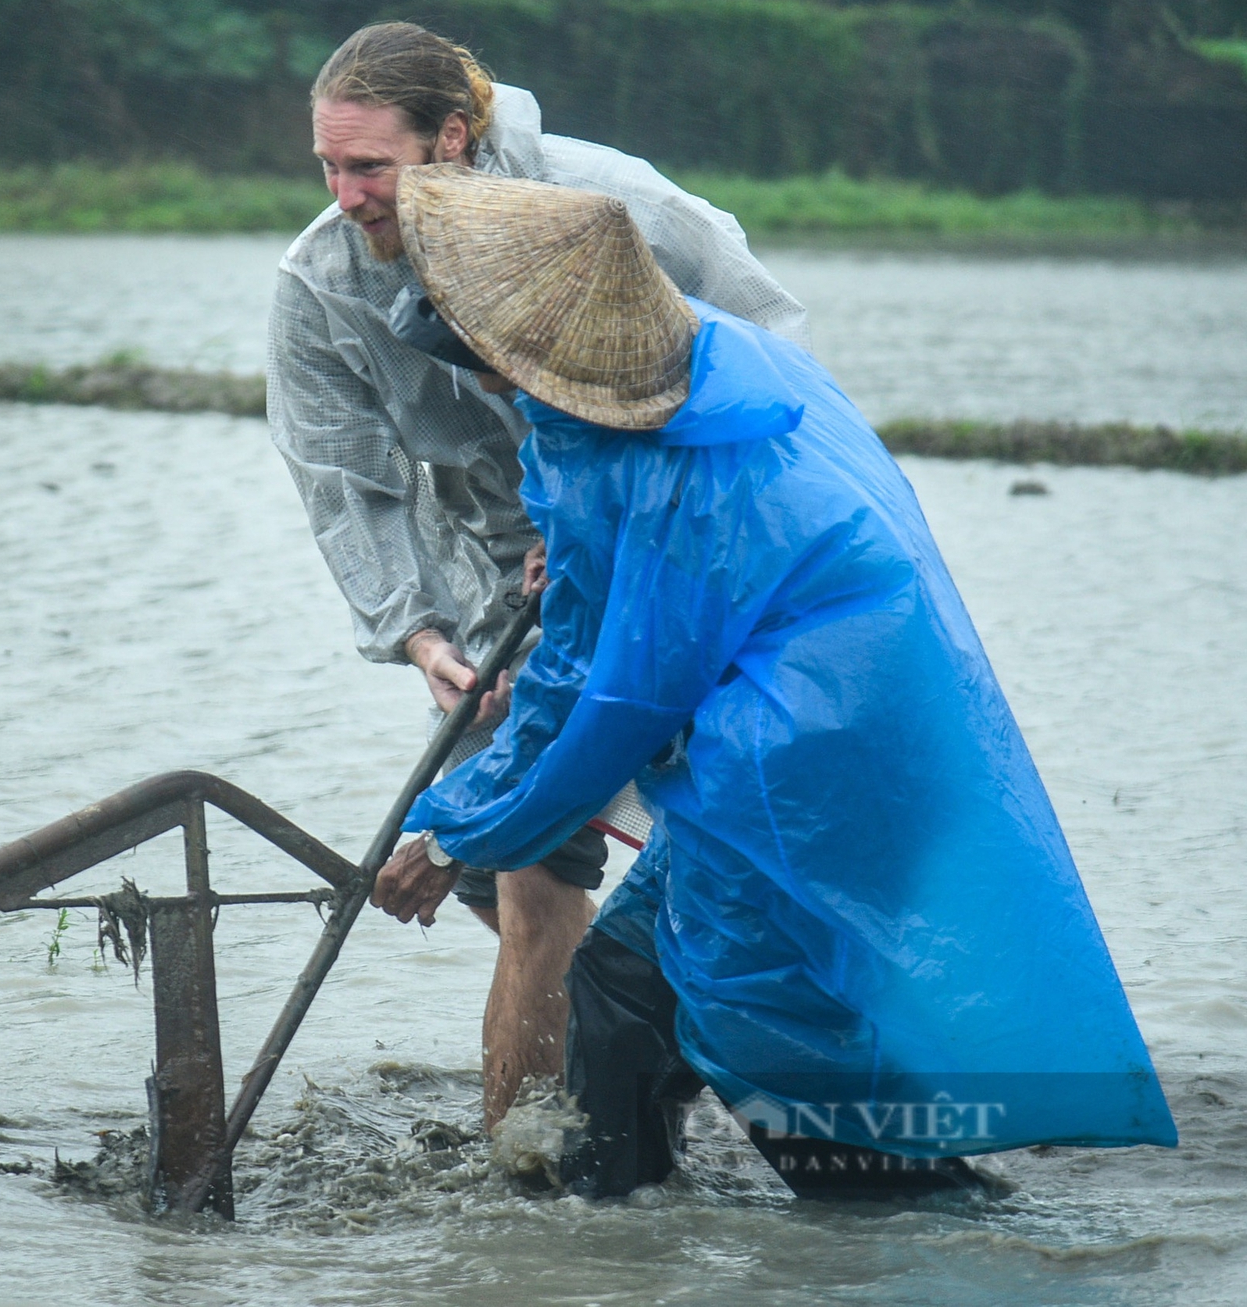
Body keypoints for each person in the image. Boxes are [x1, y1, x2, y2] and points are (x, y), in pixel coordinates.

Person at [390, 162, 1179, 1199]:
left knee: (785, 1069)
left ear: (525, 360)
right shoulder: (727, 358)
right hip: (885, 724)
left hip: (786, 770)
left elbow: (601, 702)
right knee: (629, 995)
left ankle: (955, 1242)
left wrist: (455, 830)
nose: (483, 384)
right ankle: (605, 1238)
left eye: (485, 366)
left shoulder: (642, 465)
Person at [269, 20, 808, 1132]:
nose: (345, 193)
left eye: (369, 166)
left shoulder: (612, 209)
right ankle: (579, 1129)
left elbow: (763, 359)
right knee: (496, 870)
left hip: (666, 558)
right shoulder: (322, 281)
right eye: (326, 165)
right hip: (487, 583)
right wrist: (422, 640)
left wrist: (619, 509)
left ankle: (535, 1157)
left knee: (548, 862)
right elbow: (343, 483)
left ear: (451, 140)